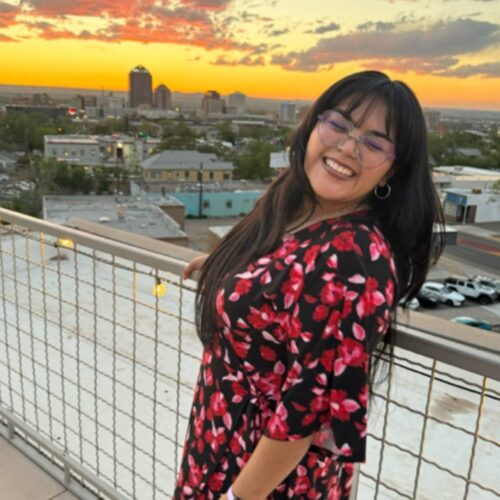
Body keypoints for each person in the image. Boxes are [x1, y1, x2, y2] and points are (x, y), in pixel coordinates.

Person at [174, 71, 444, 499]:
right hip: (224, 440)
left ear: (391, 171)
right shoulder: (300, 203)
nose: (348, 147)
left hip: (263, 477)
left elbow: (306, 413)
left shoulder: (353, 260)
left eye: (374, 143)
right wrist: (231, 272)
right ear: (314, 125)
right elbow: (286, 279)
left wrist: (238, 497)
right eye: (339, 124)